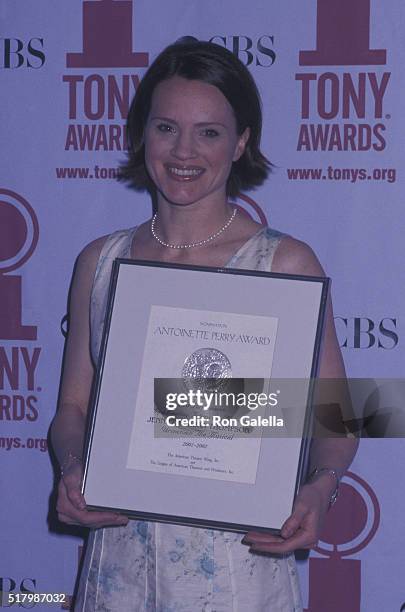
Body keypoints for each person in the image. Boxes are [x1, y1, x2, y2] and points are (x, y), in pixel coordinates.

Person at [51, 39, 358, 611]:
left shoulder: (285, 264)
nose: (184, 151)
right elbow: (72, 409)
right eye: (166, 127)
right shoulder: (99, 262)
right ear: (142, 133)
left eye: (210, 132)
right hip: (117, 568)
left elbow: (337, 413)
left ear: (242, 142)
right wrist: (72, 470)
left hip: (239, 571)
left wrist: (319, 488)